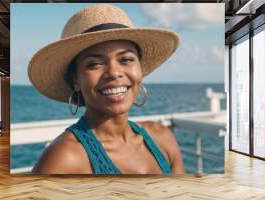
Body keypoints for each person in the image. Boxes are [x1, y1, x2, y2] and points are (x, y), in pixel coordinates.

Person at [29, 4, 185, 175]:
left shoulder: (162, 138)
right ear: (75, 80)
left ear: (140, 68)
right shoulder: (65, 158)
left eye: (125, 59)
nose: (114, 73)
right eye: (95, 64)